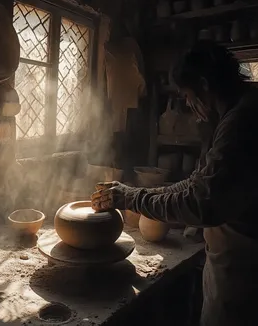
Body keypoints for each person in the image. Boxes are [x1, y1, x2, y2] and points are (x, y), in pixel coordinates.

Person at [91, 40, 258, 326]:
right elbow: (197, 181)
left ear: (204, 85)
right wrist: (138, 193)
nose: (191, 108)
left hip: (246, 270)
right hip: (233, 259)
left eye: (188, 97)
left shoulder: (243, 120)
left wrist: (132, 198)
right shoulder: (237, 110)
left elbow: (202, 202)